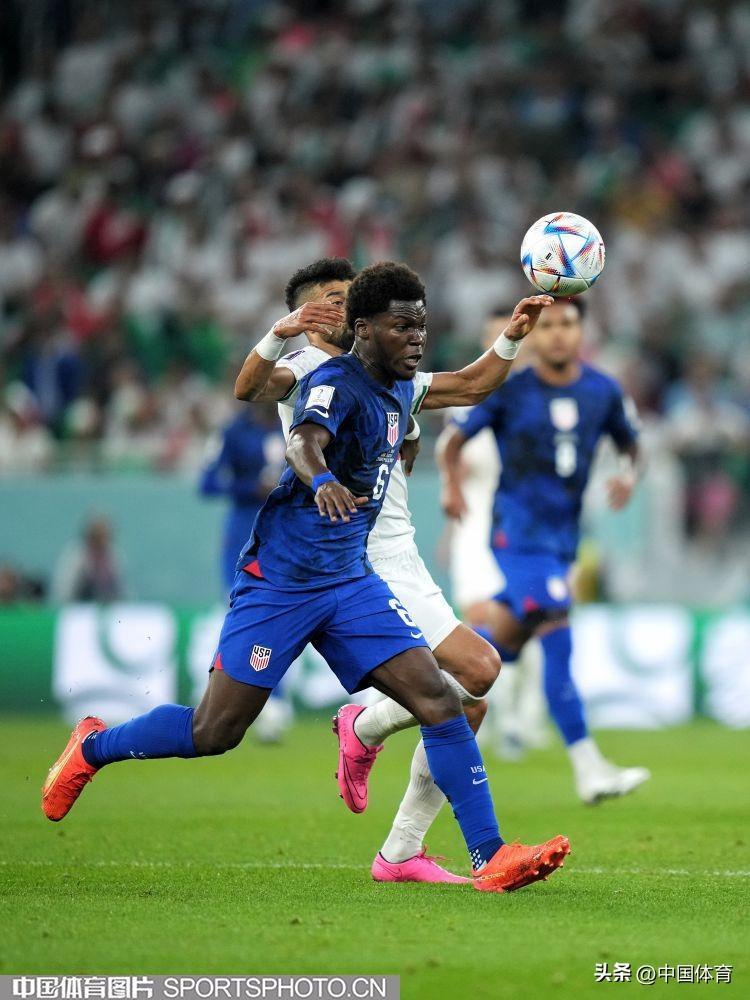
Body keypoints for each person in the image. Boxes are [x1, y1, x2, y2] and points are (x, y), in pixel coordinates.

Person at [42, 261, 569, 894]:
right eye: (402, 327)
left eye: (421, 326)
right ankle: (94, 746)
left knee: (440, 698)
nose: (416, 339)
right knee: (214, 731)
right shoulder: (331, 381)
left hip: (351, 581)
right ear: (365, 329)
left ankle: (490, 855)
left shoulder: (403, 385)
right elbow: (301, 441)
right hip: (283, 583)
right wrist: (321, 480)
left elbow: (473, 383)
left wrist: (512, 335)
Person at [235, 258, 549, 883]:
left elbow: (468, 385)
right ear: (308, 316)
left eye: (349, 296)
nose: (344, 305)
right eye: (330, 299)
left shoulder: (388, 373)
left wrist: (511, 338)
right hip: (356, 555)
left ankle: (401, 850)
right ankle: (372, 732)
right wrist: (278, 334)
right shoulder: (306, 369)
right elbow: (252, 387)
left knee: (466, 707)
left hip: (401, 550)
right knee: (478, 673)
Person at [438, 298, 651, 804]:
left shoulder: (602, 390)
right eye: (548, 325)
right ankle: (589, 766)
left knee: (497, 648)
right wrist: (452, 486)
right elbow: (454, 440)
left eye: (568, 324)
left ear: (582, 331)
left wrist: (628, 475)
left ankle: (397, 701)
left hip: (562, 540)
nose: (557, 333)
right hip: (517, 534)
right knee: (557, 628)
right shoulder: (512, 391)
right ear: (534, 335)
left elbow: (632, 442)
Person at [443, 307, 548, 762]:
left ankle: (523, 715)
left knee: (525, 621)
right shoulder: (468, 397)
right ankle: (501, 718)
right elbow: (455, 463)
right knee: (479, 616)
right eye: (493, 335)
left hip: (522, 520)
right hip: (474, 520)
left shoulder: (538, 398)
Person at [198, 404, 291, 742]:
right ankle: (227, 698)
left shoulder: (295, 421)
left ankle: (273, 700)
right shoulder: (232, 432)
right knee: (243, 615)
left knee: (282, 617)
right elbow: (207, 483)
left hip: (285, 534)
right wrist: (251, 488)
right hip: (243, 535)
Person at [52, 516, 124, 603]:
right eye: (98, 537)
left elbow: (122, 589)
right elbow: (65, 591)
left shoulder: (112, 556)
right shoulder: (77, 556)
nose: (102, 541)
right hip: (78, 606)